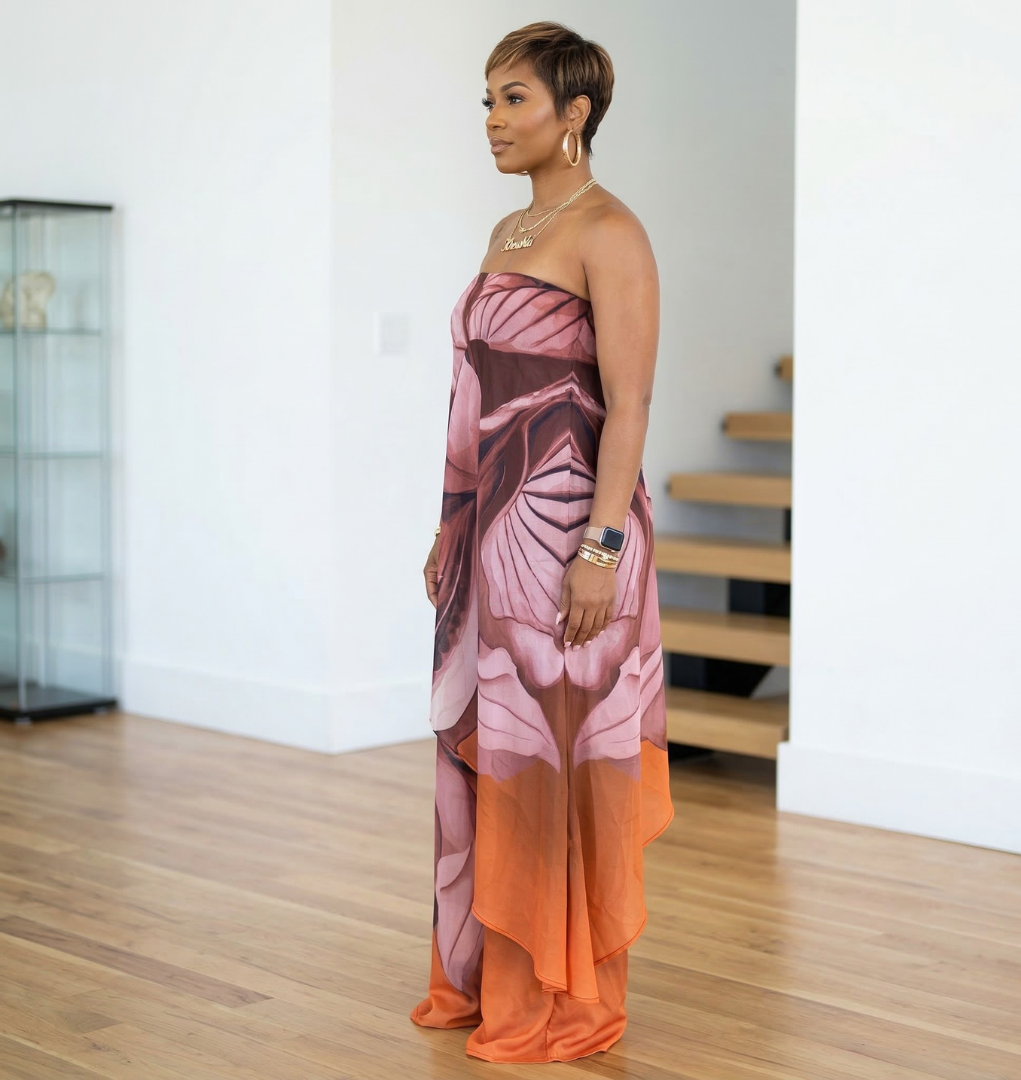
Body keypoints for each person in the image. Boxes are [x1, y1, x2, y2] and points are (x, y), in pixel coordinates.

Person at [410, 20, 674, 1064]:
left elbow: (631, 405)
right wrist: (451, 520)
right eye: (487, 100)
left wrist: (600, 552)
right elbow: (472, 395)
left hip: (571, 538)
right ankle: (489, 980)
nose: (492, 120)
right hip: (493, 540)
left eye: (513, 99)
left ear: (576, 113)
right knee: (495, 755)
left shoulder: (611, 231)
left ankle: (562, 997)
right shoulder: (507, 233)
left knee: (554, 766)